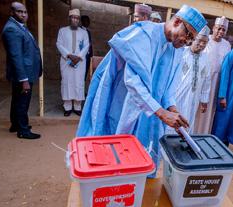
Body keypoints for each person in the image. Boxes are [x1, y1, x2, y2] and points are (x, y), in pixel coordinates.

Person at [77, 5, 207, 175]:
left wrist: (172, 108)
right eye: (188, 35)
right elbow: (133, 82)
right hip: (122, 100)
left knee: (143, 148)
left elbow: (167, 88)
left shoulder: (176, 50)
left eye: (191, 39)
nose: (188, 42)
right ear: (176, 22)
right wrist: (161, 112)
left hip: (149, 108)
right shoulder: (144, 35)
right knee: (115, 146)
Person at [2, 2, 42, 139]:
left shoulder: (19, 27)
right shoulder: (11, 29)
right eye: (20, 12)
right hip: (23, 74)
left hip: (24, 72)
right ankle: (23, 130)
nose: (23, 14)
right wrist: (24, 79)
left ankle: (16, 125)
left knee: (17, 99)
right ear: (12, 13)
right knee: (22, 102)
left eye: (25, 12)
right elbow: (16, 56)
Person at [166, 26, 211, 134]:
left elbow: (207, 79)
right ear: (194, 39)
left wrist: (204, 100)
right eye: (200, 41)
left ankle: (183, 145)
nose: (202, 45)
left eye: (205, 42)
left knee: (189, 120)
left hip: (194, 97)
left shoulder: (206, 58)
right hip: (177, 95)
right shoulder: (182, 53)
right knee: (174, 121)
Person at [194, 16, 231, 134]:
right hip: (200, 81)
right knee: (195, 107)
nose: (220, 32)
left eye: (223, 30)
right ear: (213, 28)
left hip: (216, 83)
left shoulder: (227, 45)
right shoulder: (205, 40)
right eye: (219, 28)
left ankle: (203, 134)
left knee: (209, 111)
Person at [56, 9, 90, 117]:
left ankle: (77, 107)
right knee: (67, 83)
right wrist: (69, 56)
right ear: (69, 18)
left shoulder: (84, 32)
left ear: (79, 20)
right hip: (66, 61)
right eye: (73, 17)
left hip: (80, 62)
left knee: (78, 83)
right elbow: (59, 44)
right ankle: (67, 107)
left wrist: (78, 57)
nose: (75, 20)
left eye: (77, 18)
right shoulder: (62, 31)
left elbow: (86, 46)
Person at [81, 15, 93, 81]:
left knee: (85, 73)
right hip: (81, 56)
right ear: (82, 22)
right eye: (87, 21)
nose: (88, 23)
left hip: (87, 56)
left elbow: (90, 44)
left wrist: (91, 54)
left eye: (89, 21)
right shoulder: (78, 30)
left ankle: (82, 90)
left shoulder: (88, 32)